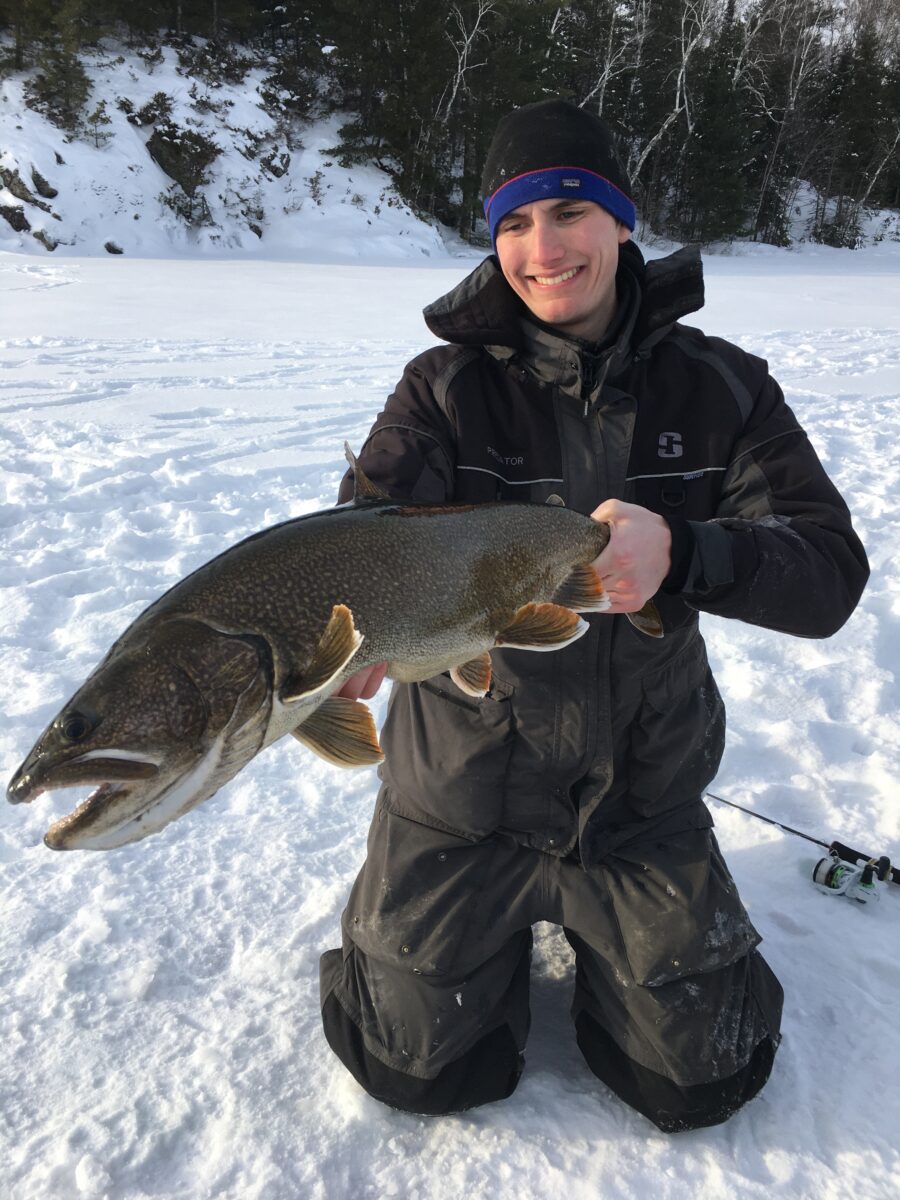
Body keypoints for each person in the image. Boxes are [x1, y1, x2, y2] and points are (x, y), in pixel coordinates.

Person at [318, 99, 869, 1131]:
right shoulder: (441, 390)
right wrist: (351, 636)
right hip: (460, 798)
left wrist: (689, 552)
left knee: (701, 1078)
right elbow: (365, 530)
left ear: (622, 220)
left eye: (569, 211)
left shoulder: (724, 388)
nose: (542, 248)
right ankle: (430, 934)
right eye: (514, 224)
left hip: (638, 802)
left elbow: (829, 573)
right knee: (417, 1068)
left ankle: (616, 928)